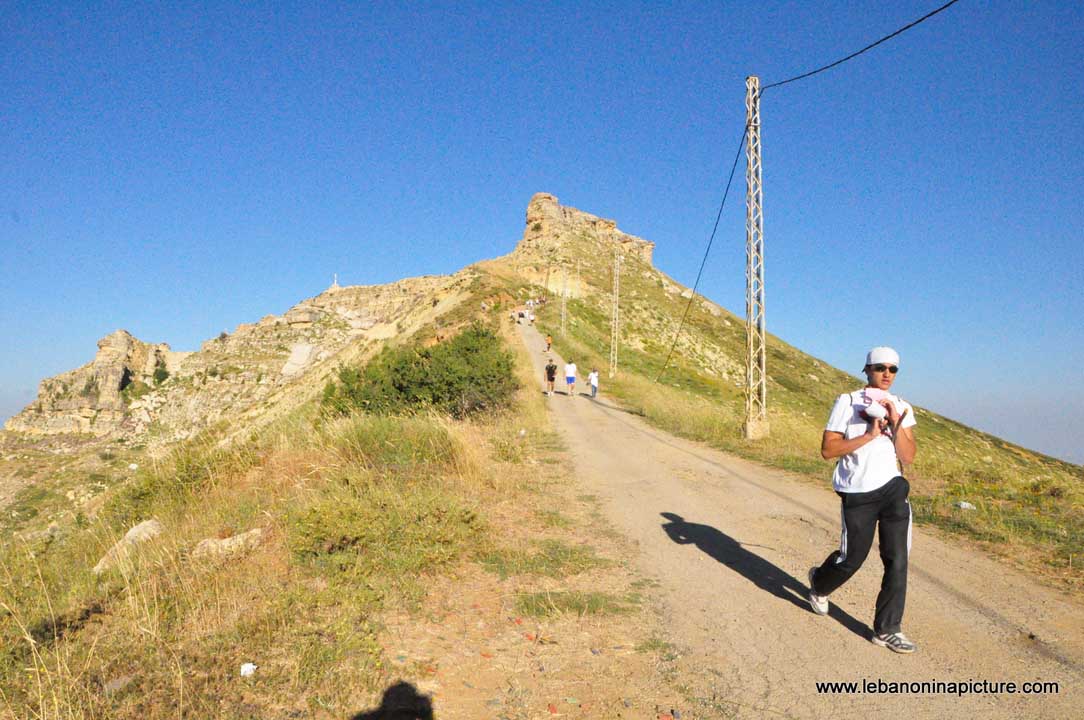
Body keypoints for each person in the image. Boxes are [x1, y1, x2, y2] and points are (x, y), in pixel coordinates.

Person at [807, 347, 918, 653]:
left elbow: (907, 456)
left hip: (894, 489)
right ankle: (820, 583)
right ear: (867, 369)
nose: (887, 374)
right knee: (852, 558)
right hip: (858, 491)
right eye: (880, 367)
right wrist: (869, 435)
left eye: (893, 369)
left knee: (898, 560)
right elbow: (828, 450)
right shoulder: (848, 400)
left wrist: (895, 423)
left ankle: (887, 629)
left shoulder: (902, 406)